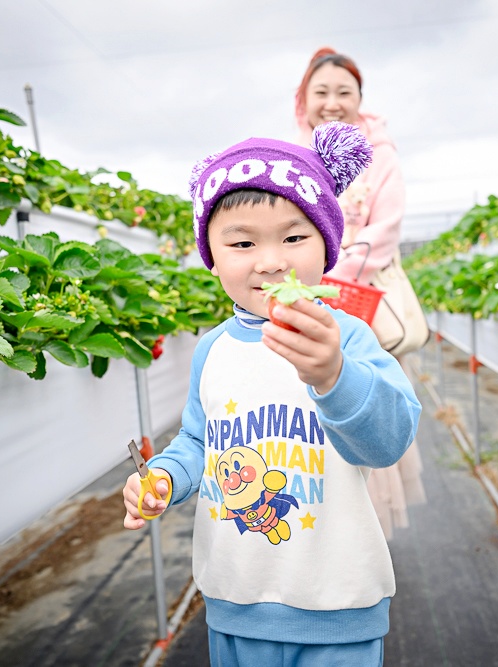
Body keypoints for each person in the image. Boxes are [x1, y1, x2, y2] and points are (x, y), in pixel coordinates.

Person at [123, 122, 421, 666]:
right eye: (241, 243)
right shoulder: (212, 350)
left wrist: (333, 374)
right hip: (235, 601)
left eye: (293, 237)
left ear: (326, 246)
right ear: (211, 255)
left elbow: (387, 442)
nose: (270, 261)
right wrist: (166, 475)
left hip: (339, 606)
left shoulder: (347, 335)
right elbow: (199, 441)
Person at [295, 47, 426, 539]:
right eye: (321, 92)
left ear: (360, 100)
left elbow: (386, 229)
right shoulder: (292, 153)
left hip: (361, 301)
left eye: (343, 93)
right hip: (308, 299)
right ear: (303, 100)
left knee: (361, 399)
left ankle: (362, 537)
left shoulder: (381, 154)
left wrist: (329, 273)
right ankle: (315, 527)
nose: (332, 102)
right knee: (310, 408)